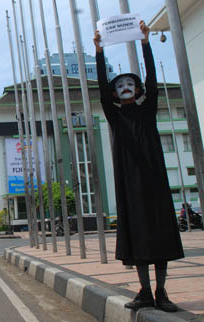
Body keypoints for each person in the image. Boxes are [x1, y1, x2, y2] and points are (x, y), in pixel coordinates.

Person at [93, 21, 184, 312]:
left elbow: (153, 79)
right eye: (120, 85)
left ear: (138, 89)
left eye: (130, 84)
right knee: (138, 237)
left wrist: (145, 43)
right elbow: (103, 95)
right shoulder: (115, 117)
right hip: (129, 185)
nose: (125, 87)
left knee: (160, 235)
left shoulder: (147, 110)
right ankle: (144, 291)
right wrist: (98, 51)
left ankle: (161, 291)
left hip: (155, 182)